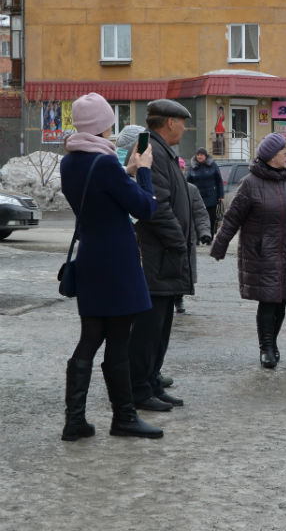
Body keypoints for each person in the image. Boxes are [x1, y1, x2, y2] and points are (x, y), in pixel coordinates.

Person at [59, 92, 163, 440]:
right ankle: (124, 417)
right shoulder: (103, 164)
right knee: (118, 342)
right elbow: (145, 208)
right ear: (104, 125)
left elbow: (102, 193)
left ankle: (74, 420)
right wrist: (143, 171)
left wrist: (127, 170)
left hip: (91, 259)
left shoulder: (71, 161)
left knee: (89, 339)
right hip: (118, 262)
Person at [210, 133, 286, 368]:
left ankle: (273, 343)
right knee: (268, 301)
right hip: (261, 252)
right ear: (270, 157)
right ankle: (266, 347)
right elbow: (232, 218)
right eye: (285, 153)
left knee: (281, 300)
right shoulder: (250, 184)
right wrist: (219, 246)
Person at [130, 99, 195, 412]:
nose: (184, 127)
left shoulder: (162, 150)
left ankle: (151, 381)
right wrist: (178, 242)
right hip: (158, 255)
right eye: (182, 122)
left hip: (166, 255)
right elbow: (156, 206)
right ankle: (139, 389)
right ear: (170, 122)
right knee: (148, 328)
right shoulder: (152, 152)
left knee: (161, 326)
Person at [176, 157, 213, 314]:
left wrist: (204, 232)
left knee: (183, 270)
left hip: (186, 238)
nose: (180, 172)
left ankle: (179, 298)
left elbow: (200, 213)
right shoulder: (163, 188)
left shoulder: (191, 189)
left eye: (182, 169)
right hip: (166, 236)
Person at [186, 147, 224, 235]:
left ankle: (209, 235)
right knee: (197, 216)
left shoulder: (213, 165)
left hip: (211, 195)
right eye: (198, 155)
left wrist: (221, 196)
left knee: (211, 217)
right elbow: (188, 181)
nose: (199, 157)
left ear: (205, 156)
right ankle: (199, 237)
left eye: (201, 155)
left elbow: (219, 181)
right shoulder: (192, 166)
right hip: (197, 196)